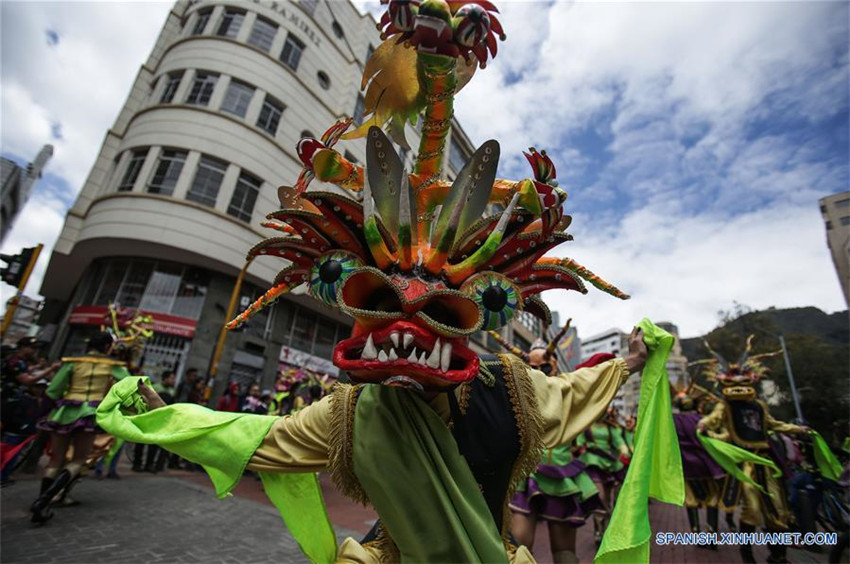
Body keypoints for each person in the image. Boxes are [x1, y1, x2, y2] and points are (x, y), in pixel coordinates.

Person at [97, 4, 671, 560]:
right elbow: (257, 440)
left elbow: (578, 392)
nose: (409, 310)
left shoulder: (513, 392)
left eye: (444, 306)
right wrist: (165, 416)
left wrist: (633, 358)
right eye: (380, 297)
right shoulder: (352, 412)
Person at [495, 324, 606, 564]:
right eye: (532, 368)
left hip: (560, 476)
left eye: (544, 367)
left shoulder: (568, 394)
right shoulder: (517, 396)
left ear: (554, 366)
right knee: (517, 550)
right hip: (528, 477)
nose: (539, 373)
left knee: (565, 555)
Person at [696, 336, 809, 563]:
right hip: (745, 462)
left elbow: (774, 424)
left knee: (776, 510)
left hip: (765, 463)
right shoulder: (725, 405)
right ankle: (747, 555)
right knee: (752, 509)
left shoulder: (759, 405)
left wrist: (798, 429)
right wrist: (704, 425)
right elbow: (715, 419)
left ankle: (778, 555)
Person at [30, 331, 130, 523]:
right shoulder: (114, 367)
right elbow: (130, 386)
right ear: (108, 347)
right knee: (79, 460)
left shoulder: (72, 362)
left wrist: (41, 415)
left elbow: (53, 390)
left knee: (55, 460)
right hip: (90, 414)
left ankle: (41, 502)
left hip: (65, 411)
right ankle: (44, 501)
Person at [672, 388, 725, 542]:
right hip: (707, 463)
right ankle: (712, 533)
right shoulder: (702, 420)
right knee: (713, 496)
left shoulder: (672, 421)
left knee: (690, 499)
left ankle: (695, 533)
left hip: (685, 465)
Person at [576, 405, 631, 544]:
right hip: (592, 463)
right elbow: (579, 442)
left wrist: (624, 451)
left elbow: (619, 442)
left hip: (609, 464)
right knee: (599, 497)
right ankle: (598, 530)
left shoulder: (611, 428)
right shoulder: (586, 425)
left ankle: (605, 530)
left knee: (607, 500)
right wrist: (580, 448)